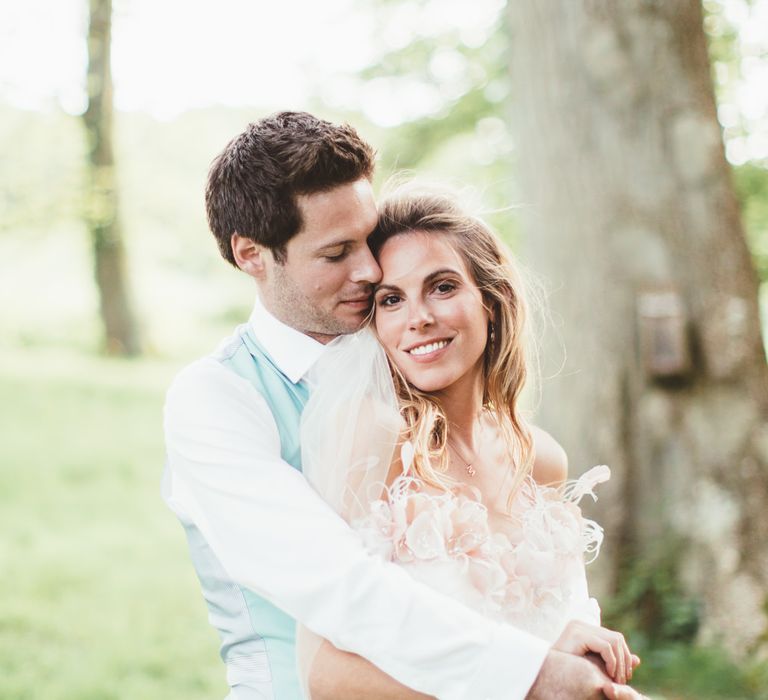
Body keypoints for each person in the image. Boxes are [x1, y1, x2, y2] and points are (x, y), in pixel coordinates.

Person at [163, 110, 645, 700]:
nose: (369, 271)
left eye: (367, 240)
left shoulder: (406, 348)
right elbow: (338, 586)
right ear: (252, 255)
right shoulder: (216, 399)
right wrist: (531, 673)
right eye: (338, 252)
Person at [298, 186, 644, 697]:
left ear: (492, 300)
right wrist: (527, 680)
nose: (417, 317)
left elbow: (547, 651)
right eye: (391, 299)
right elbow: (323, 673)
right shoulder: (375, 436)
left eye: (441, 287)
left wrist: (581, 658)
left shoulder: (541, 458)